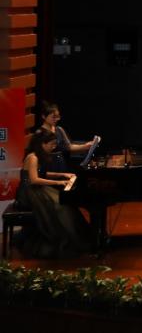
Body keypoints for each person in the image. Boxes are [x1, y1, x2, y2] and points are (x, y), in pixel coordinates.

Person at [15, 130, 89, 258]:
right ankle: (65, 239)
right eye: (52, 144)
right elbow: (34, 179)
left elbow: (43, 173)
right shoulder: (33, 157)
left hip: (37, 189)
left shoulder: (38, 156)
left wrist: (62, 175)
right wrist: (58, 182)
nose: (54, 147)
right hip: (29, 192)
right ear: (42, 144)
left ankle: (76, 237)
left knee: (66, 203)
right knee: (60, 206)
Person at [36, 102, 97, 173]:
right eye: (53, 117)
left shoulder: (59, 129)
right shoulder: (40, 133)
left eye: (58, 116)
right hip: (48, 164)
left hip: (61, 163)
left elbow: (69, 147)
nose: (57, 119)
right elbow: (38, 154)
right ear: (43, 116)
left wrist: (86, 146)